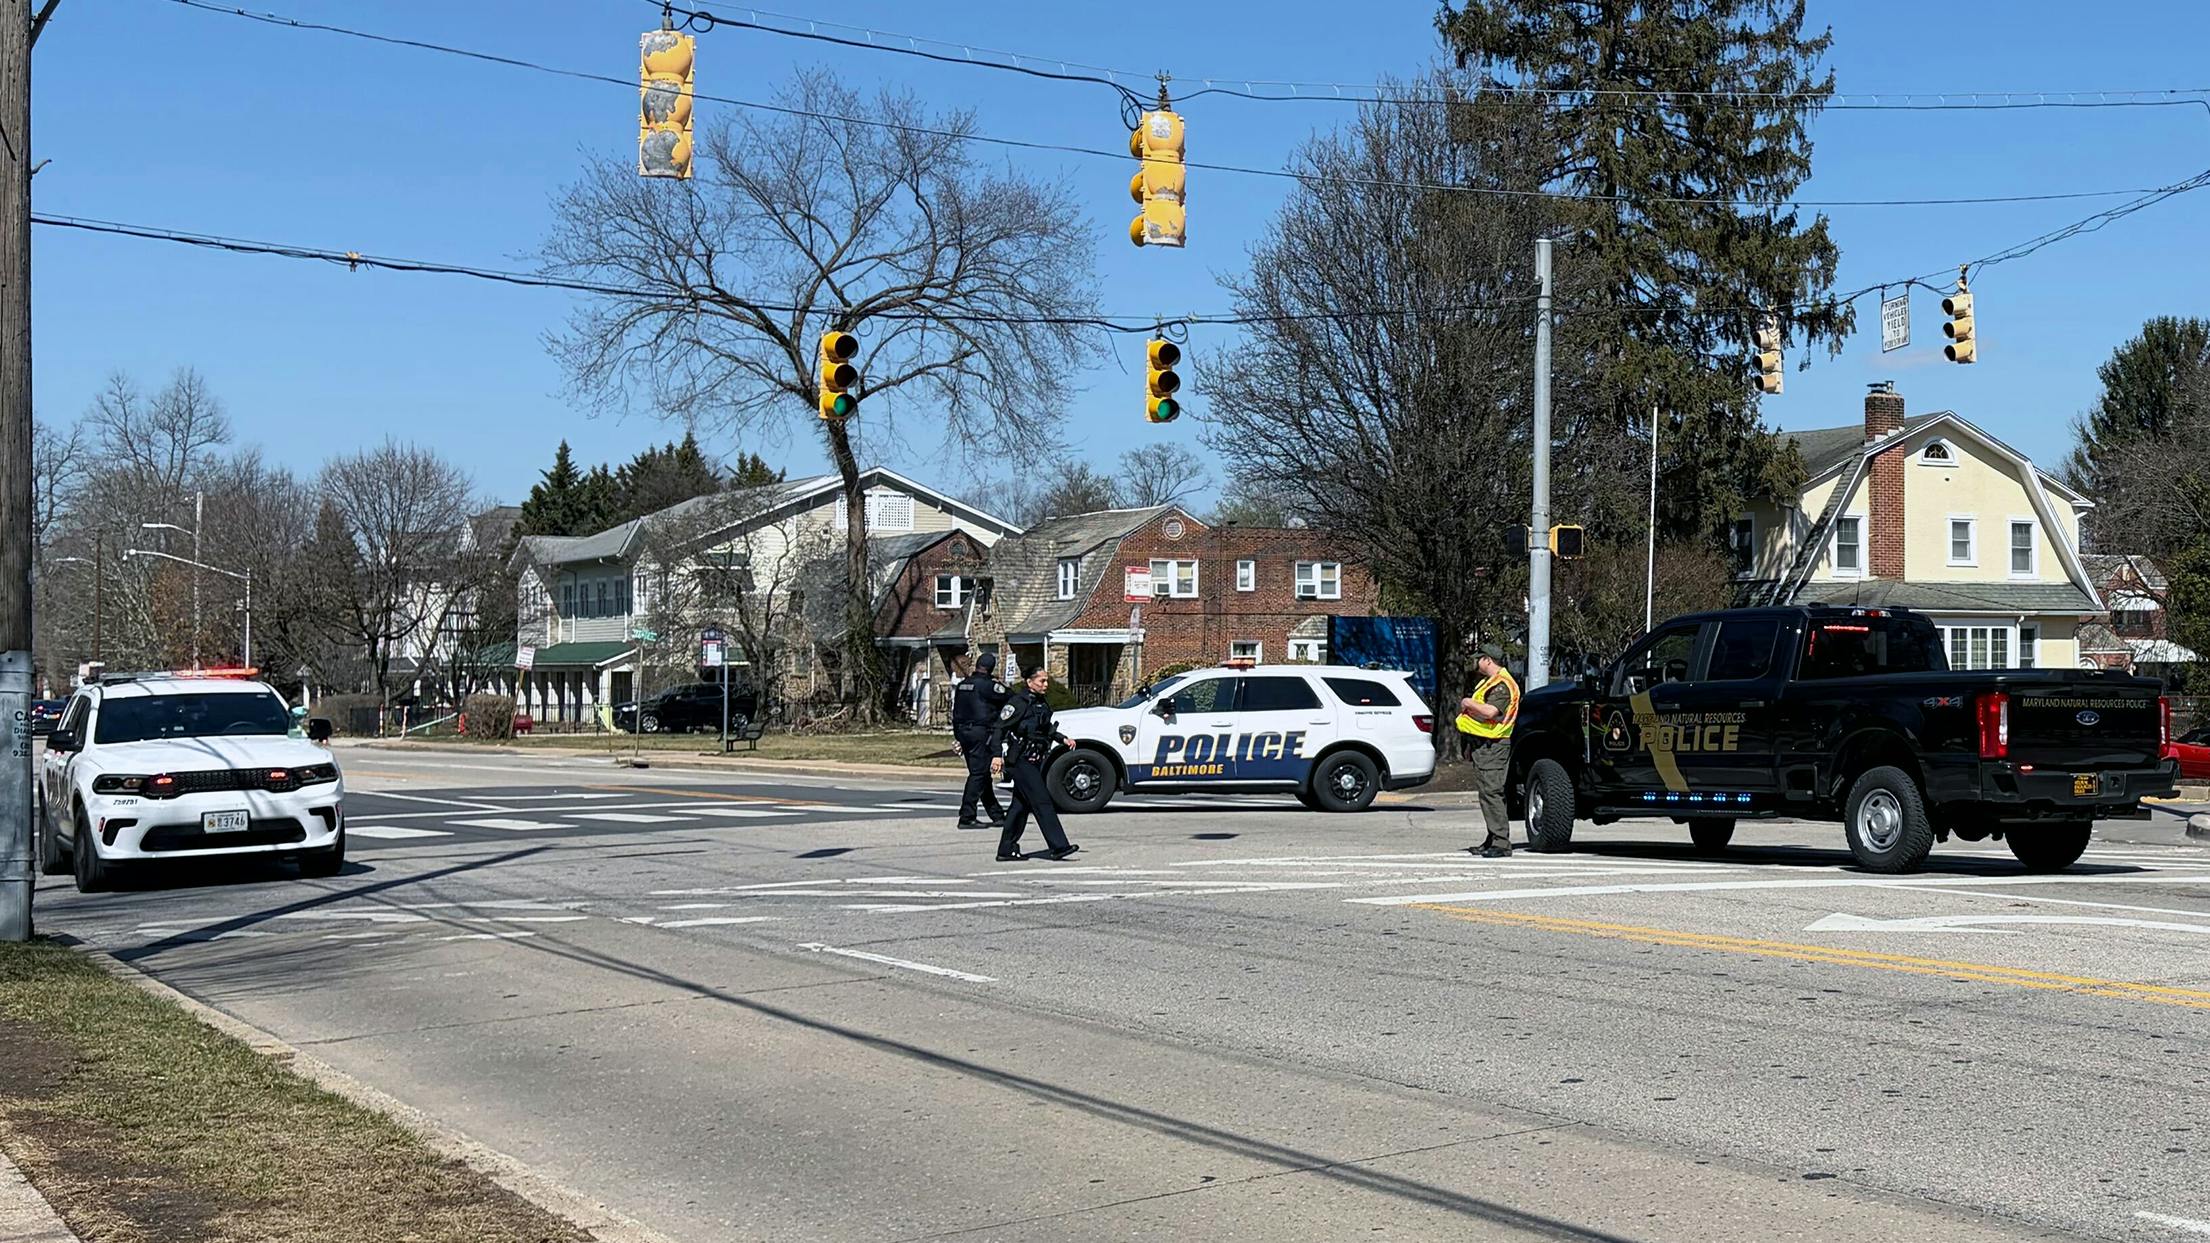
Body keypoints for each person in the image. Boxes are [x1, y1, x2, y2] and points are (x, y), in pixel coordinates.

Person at [987, 666, 1078, 862]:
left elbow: (1046, 728)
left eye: (1046, 681)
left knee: (1019, 807)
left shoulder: (1041, 703)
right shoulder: (1017, 703)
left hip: (1035, 759)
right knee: (1042, 800)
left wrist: (1063, 739)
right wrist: (996, 755)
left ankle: (1006, 849)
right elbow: (998, 729)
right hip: (1020, 761)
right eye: (1041, 681)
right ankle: (1059, 846)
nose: (1046, 685)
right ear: (1029, 682)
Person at [1455, 643, 1521, 858]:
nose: (1476, 663)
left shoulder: (1502, 684)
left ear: (1488, 660)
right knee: (1487, 793)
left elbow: (1490, 711)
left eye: (1479, 659)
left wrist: (1467, 702)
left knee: (1492, 792)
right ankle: (1493, 838)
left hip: (1494, 746)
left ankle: (1501, 843)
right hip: (1484, 745)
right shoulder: (1489, 682)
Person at [949, 651, 1010, 829]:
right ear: (991, 668)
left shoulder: (963, 685)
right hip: (980, 733)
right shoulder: (989, 686)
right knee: (979, 774)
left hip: (963, 732)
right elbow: (1010, 697)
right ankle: (966, 816)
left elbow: (956, 711)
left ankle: (997, 814)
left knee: (981, 774)